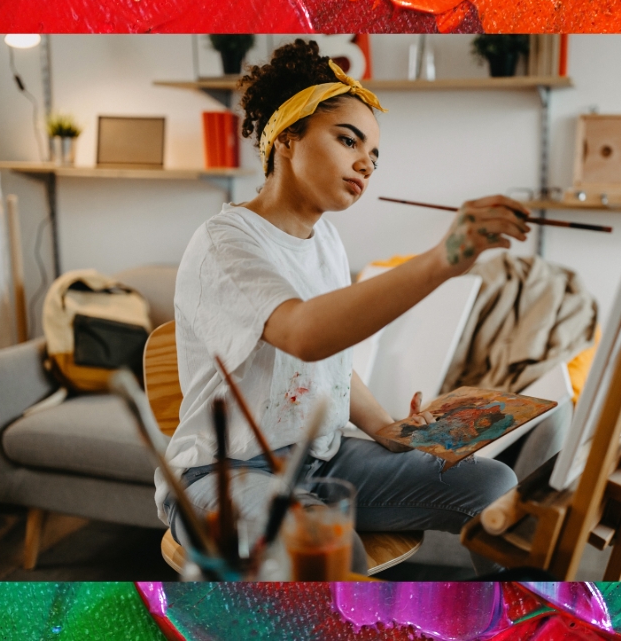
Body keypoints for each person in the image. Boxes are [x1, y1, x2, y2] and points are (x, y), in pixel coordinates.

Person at [156, 39, 532, 576]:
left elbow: (327, 364)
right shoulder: (226, 242)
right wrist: (443, 260)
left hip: (322, 456)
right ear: (287, 137)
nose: (365, 164)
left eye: (374, 155)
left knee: (495, 489)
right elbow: (306, 334)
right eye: (348, 140)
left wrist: (385, 426)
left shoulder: (327, 242)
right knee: (330, 549)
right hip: (224, 473)